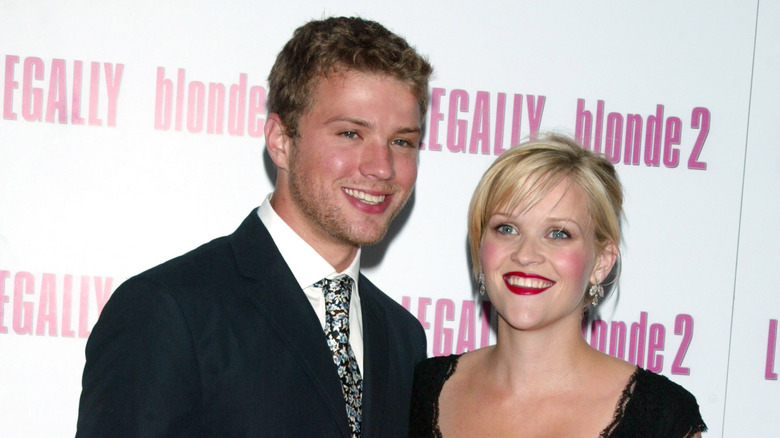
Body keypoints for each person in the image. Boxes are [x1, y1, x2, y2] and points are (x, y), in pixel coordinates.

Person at [76, 16, 432, 437]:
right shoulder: (167, 310)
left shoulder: (402, 336)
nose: (382, 167)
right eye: (351, 133)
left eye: (402, 141)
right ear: (281, 141)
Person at [408, 134, 706, 437]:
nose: (525, 254)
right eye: (506, 228)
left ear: (601, 262)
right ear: (480, 246)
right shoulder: (417, 392)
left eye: (559, 234)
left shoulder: (661, 417)